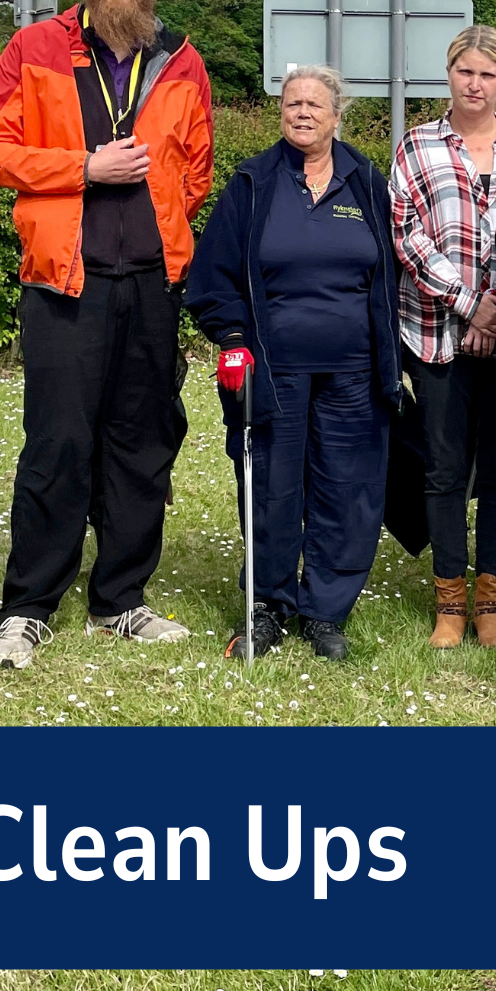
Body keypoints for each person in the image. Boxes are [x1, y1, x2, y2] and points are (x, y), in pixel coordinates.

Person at [0, 0, 213, 669]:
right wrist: (81, 169)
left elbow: (196, 168)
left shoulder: (182, 60)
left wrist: (158, 224)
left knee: (141, 445)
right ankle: (28, 606)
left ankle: (121, 600)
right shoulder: (34, 47)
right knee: (58, 444)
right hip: (63, 283)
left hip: (150, 282)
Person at [185, 66, 399, 661]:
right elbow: (212, 277)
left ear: (337, 116)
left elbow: (392, 274)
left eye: (315, 104)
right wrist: (231, 336)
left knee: (347, 492)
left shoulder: (366, 182)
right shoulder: (254, 182)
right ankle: (268, 606)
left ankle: (325, 612)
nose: (302, 112)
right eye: (291, 103)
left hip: (355, 372)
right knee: (272, 492)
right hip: (271, 371)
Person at [393, 27, 496, 648]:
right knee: (445, 470)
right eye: (464, 72)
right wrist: (467, 303)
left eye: (487, 74)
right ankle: (449, 605)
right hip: (435, 332)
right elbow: (406, 235)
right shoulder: (416, 145)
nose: (475, 84)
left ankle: (491, 606)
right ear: (448, 74)